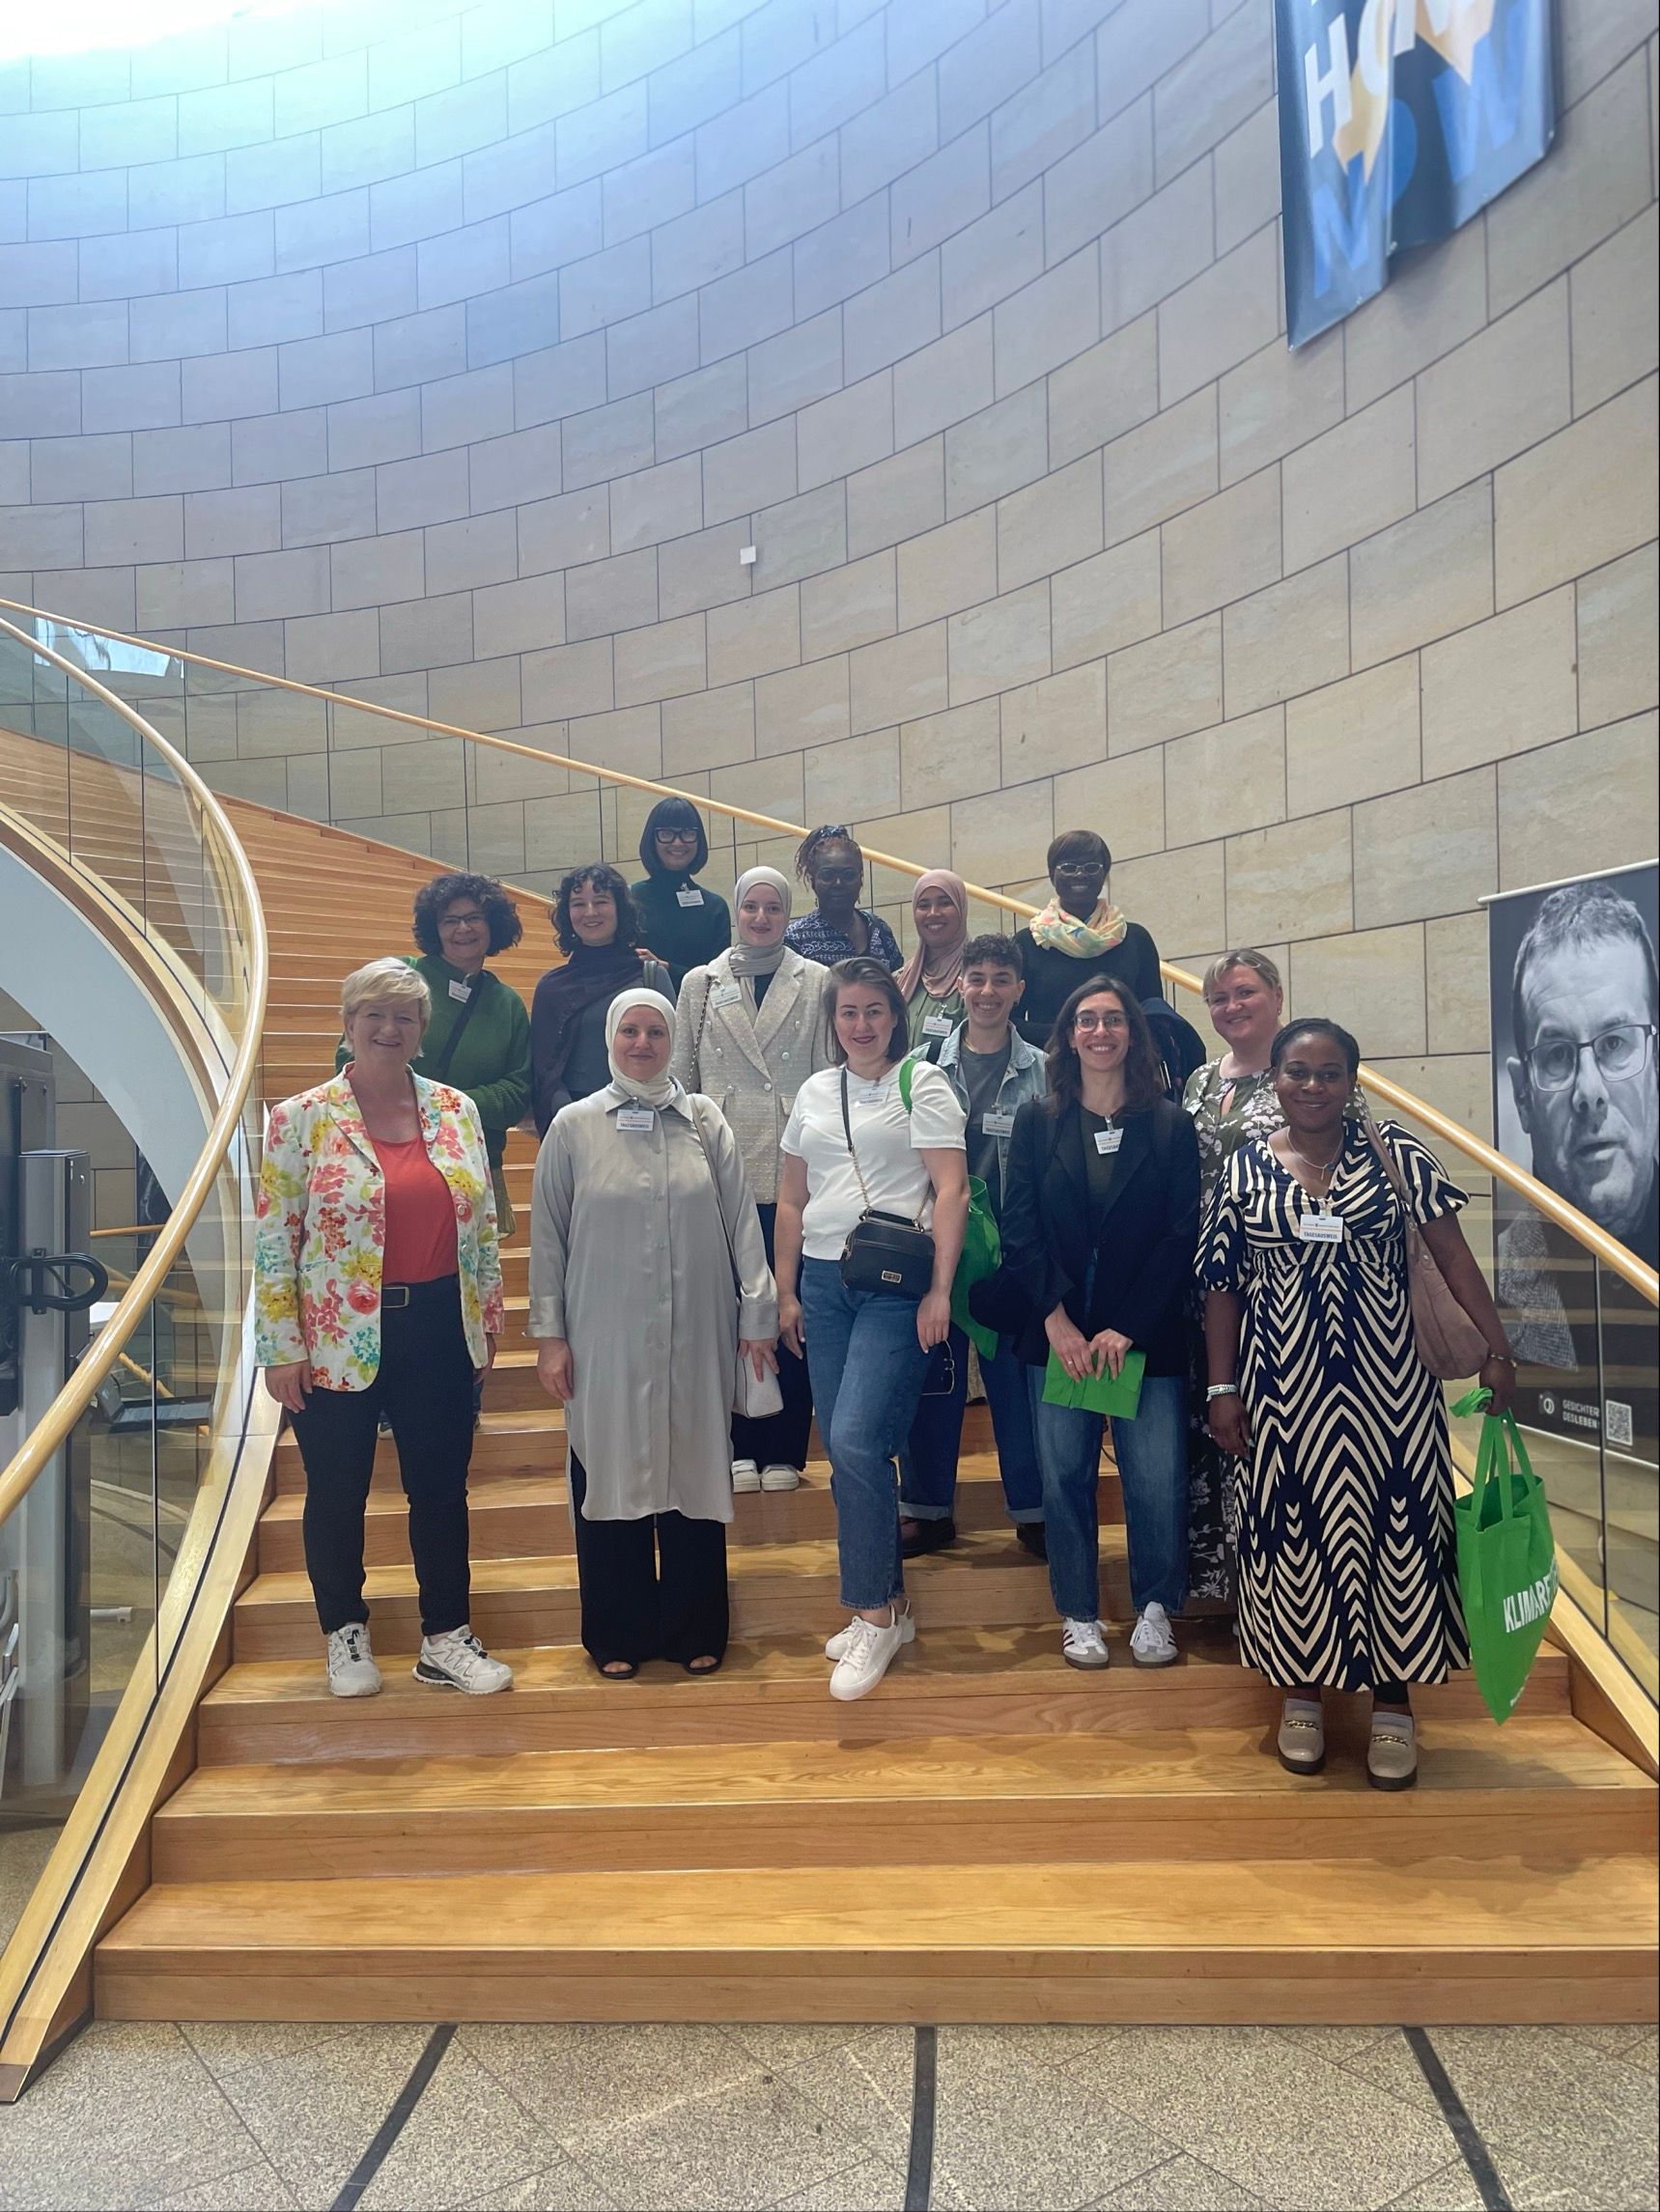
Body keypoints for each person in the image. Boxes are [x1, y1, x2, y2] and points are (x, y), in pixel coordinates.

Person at [1202, 1018, 1518, 1790]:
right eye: (1297, 1072)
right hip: (1282, 1392)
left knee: (1399, 1534)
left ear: (1353, 1080)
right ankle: (1300, 1697)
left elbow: (1451, 1256)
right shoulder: (1240, 1170)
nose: (1312, 1086)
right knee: (1294, 1538)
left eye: (1329, 1072)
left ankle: (1393, 1704)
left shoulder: (1398, 1156)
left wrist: (1496, 1346)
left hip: (1391, 1391)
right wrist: (1221, 1386)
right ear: (1272, 1079)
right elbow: (1220, 1285)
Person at [255, 958, 513, 1700]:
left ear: (421, 1032)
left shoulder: (456, 1110)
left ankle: (446, 1637)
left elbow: (483, 1228)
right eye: (374, 1013)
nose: (388, 1028)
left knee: (440, 1490)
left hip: (438, 1324)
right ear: (348, 1024)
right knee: (336, 1491)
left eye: (404, 1016)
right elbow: (277, 1239)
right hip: (335, 1333)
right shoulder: (299, 1118)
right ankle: (344, 1631)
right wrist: (281, 1347)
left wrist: (485, 1322)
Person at [529, 991, 777, 1678]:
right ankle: (617, 1631)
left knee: (695, 1467)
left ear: (672, 1041)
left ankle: (695, 1624)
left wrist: (757, 1312)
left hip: (697, 1328)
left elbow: (740, 1225)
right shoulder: (573, 1126)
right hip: (602, 1334)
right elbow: (546, 1237)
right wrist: (550, 1336)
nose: (642, 1042)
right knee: (608, 1469)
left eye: (656, 1031)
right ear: (610, 1038)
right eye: (630, 1030)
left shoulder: (704, 1120)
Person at [775, 958, 969, 1700]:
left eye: (873, 1011)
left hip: (895, 1285)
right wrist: (785, 1290)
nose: (860, 1024)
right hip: (824, 1285)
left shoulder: (921, 1082)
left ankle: (872, 1611)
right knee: (847, 1443)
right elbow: (791, 1199)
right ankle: (889, 1604)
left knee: (857, 1439)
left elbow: (949, 1188)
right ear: (832, 1021)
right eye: (847, 1012)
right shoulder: (816, 1091)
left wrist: (940, 1291)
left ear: (896, 1017)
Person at [1001, 978, 1200, 1673]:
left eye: (1113, 1019)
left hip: (1141, 1339)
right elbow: (1017, 1227)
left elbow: (1181, 1236)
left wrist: (1127, 1327)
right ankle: (1078, 1612)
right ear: (1068, 1034)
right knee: (1062, 1476)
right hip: (1058, 1335)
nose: (1100, 1030)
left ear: (1131, 1034)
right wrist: (1054, 1317)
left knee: (1154, 1478)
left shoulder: (1171, 1125)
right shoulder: (1036, 1118)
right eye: (1085, 1018)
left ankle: (1153, 1609)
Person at [672, 866, 830, 1495]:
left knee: (790, 1307)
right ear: (735, 911)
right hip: (721, 1165)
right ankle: (736, 1441)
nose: (761, 918)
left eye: (772, 908)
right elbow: (682, 1076)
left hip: (794, 1167)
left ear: (787, 914)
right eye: (751, 907)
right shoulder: (700, 983)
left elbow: (824, 1072)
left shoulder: (815, 979)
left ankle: (786, 1448)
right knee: (727, 1309)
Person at [899, 934, 1047, 1558]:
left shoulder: (1043, 1068)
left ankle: (1034, 1510)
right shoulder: (921, 1064)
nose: (987, 990)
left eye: (999, 979)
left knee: (1015, 1384)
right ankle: (927, 1509)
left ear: (1018, 988)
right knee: (936, 1379)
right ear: (958, 985)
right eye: (976, 978)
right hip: (939, 1245)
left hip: (1012, 1249)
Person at [1180, 949, 1286, 1604]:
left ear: (1275, 995)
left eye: (1244, 992)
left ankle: (1274, 1581)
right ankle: (1217, 1583)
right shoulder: (1196, 1081)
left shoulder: (1306, 1068)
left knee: (1270, 1427)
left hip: (1279, 1284)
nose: (1231, 1007)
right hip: (1201, 1285)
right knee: (1209, 1422)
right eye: (1218, 998)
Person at [1504, 880, 1658, 1271]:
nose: (1589, 1092)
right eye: (1557, 1054)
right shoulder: (1491, 1276)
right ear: (1523, 1096)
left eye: (1615, 1044)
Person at [530, 863, 672, 1134]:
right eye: (579, 903)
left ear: (620, 908)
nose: (590, 912)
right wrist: (577, 1121)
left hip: (644, 1122)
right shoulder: (551, 987)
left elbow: (669, 1060)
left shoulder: (651, 977)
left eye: (601, 901)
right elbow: (545, 1072)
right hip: (577, 1126)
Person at [1012, 830, 1164, 1046]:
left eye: (1092, 867)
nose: (1080, 875)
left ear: (1104, 874)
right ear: (1051, 874)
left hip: (1122, 1067)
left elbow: (1153, 1014)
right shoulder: (1028, 943)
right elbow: (1011, 1021)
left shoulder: (1136, 940)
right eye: (1068, 868)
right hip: (1050, 1068)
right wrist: (1074, 1035)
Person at [630, 796, 733, 993]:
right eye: (667, 834)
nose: (678, 843)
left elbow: (721, 982)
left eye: (687, 833)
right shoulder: (630, 899)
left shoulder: (715, 907)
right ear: (652, 839)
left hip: (700, 1017)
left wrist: (666, 969)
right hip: (643, 1012)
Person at [784, 826, 904, 972]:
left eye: (848, 875)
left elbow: (900, 987)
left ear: (860, 879)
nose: (838, 883)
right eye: (828, 875)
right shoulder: (795, 939)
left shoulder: (879, 930)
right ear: (813, 880)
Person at [898, 869, 971, 1047]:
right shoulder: (902, 978)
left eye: (945, 903)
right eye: (923, 905)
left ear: (961, 908)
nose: (933, 913)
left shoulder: (976, 979)